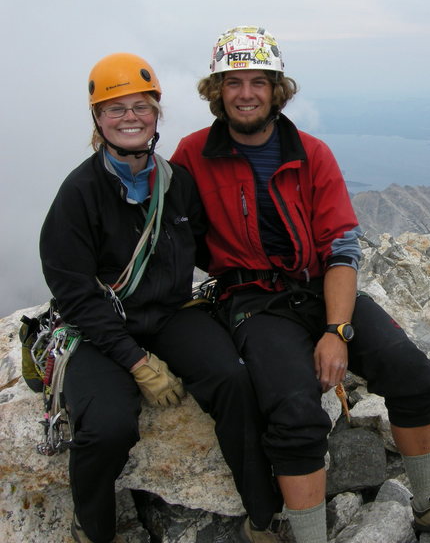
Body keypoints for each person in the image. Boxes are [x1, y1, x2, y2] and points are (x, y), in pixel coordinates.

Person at [171, 25, 430, 543]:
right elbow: (168, 229)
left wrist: (336, 331)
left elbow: (341, 247)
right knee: (295, 414)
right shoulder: (191, 155)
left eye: (259, 81)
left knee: (412, 375)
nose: (246, 93)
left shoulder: (311, 153)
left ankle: (428, 499)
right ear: (217, 91)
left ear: (277, 89)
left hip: (319, 286)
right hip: (252, 299)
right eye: (234, 82)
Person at [40, 52, 284, 543]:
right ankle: (92, 529)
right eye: (116, 109)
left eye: (141, 107)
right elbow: (75, 292)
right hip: (98, 328)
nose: (130, 117)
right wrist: (135, 363)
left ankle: (262, 516)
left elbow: (208, 248)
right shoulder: (79, 194)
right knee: (108, 426)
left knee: (233, 382)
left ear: (156, 115)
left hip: (169, 314)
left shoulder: (175, 184)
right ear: (98, 120)